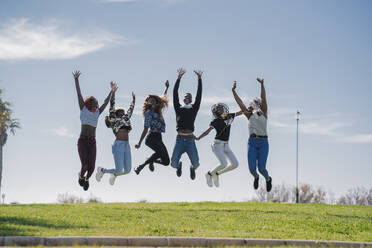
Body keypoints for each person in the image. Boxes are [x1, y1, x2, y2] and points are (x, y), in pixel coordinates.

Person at [73, 70, 116, 191]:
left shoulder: (97, 113)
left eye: (97, 105)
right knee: (85, 166)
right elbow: (79, 95)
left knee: (91, 168)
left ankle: (86, 179)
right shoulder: (83, 109)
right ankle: (81, 176)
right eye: (94, 105)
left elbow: (106, 102)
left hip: (92, 142)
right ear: (89, 104)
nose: (96, 107)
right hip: (82, 141)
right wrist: (76, 80)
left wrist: (111, 92)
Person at [232, 79, 272, 192]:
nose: (251, 105)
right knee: (252, 169)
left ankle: (268, 179)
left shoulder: (264, 112)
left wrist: (262, 85)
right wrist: (233, 92)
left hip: (263, 142)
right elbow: (240, 104)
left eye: (254, 103)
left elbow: (263, 98)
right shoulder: (249, 115)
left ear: (258, 105)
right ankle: (256, 177)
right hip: (252, 142)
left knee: (262, 168)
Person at [95, 87, 135, 185]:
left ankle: (114, 175)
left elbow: (130, 110)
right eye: (120, 112)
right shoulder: (113, 119)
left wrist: (133, 100)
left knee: (127, 170)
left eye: (123, 112)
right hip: (118, 145)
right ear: (116, 113)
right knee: (118, 169)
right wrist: (113, 92)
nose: (123, 112)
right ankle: (102, 171)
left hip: (127, 145)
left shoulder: (126, 118)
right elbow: (112, 104)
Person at [196, 103, 242, 187]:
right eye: (218, 108)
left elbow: (241, 112)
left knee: (235, 164)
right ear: (215, 111)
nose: (220, 109)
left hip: (226, 145)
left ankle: (216, 173)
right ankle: (209, 174)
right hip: (217, 145)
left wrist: (249, 109)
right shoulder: (215, 121)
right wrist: (198, 137)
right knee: (223, 164)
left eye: (221, 108)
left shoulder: (229, 116)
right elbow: (207, 132)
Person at [170, 68, 203, 180]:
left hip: (190, 140)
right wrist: (179, 78)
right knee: (173, 164)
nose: (187, 98)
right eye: (185, 97)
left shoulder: (194, 108)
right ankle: (179, 165)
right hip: (179, 139)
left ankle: (191, 168)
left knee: (196, 164)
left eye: (189, 97)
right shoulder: (178, 108)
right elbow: (175, 93)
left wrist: (199, 79)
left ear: (191, 99)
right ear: (183, 99)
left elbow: (199, 95)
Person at [134, 81, 170, 174]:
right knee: (159, 153)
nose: (152, 100)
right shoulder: (148, 113)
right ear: (147, 102)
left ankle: (151, 160)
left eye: (154, 99)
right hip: (151, 138)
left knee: (166, 162)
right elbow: (145, 129)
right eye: (150, 99)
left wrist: (166, 87)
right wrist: (139, 143)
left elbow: (163, 98)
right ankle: (141, 166)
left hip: (159, 138)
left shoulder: (158, 110)